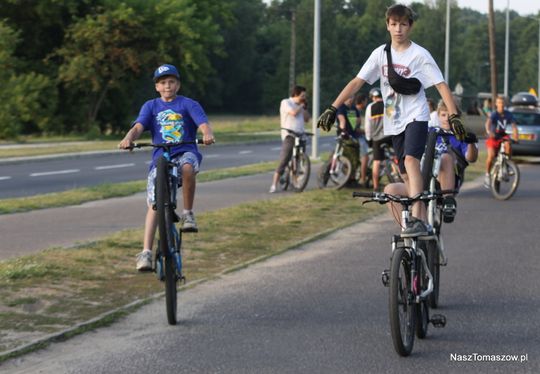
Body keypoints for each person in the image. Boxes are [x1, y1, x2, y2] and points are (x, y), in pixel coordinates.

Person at [317, 3, 465, 237]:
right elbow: (357, 82)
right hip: (393, 121)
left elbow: (440, 84)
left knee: (410, 161)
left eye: (403, 24)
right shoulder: (380, 54)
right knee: (404, 174)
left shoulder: (419, 55)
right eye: (394, 24)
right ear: (387, 25)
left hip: (416, 116)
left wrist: (454, 116)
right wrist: (333, 107)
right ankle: (425, 204)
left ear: (410, 26)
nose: (398, 29)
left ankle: (417, 218)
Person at [118, 64, 215, 271]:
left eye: (171, 82)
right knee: (154, 203)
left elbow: (203, 123)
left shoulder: (188, 104)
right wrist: (128, 138)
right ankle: (145, 252)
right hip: (160, 157)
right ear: (157, 87)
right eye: (163, 83)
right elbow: (138, 127)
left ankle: (188, 213)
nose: (167, 86)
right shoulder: (150, 106)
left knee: (188, 167)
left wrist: (207, 133)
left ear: (178, 85)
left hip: (185, 151)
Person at [432, 103, 478, 222]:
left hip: (452, 177)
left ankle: (448, 201)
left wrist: (471, 143)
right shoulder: (431, 132)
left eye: (450, 115)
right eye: (443, 115)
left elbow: (470, 157)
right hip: (429, 175)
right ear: (438, 116)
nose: (446, 118)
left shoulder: (460, 136)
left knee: (446, 158)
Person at [269, 85, 310, 193]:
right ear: (296, 94)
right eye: (302, 95)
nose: (304, 98)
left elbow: (306, 119)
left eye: (305, 96)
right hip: (289, 134)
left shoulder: (301, 105)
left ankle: (296, 182)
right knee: (284, 159)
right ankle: (274, 185)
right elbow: (293, 113)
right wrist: (301, 105)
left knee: (300, 159)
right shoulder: (286, 102)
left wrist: (304, 108)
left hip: (300, 134)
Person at [483, 96, 518, 188]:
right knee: (491, 156)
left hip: (503, 135)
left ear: (505, 104)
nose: (501, 105)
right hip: (493, 136)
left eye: (502, 103)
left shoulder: (509, 114)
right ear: (496, 104)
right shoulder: (494, 114)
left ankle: (506, 165)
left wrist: (515, 136)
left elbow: (514, 126)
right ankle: (487, 174)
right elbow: (488, 123)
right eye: (499, 103)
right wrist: (489, 131)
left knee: (508, 145)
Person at [365, 88, 394, 191]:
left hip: (377, 138)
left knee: (376, 161)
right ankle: (400, 177)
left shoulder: (370, 107)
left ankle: (376, 186)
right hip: (390, 135)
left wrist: (369, 138)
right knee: (395, 156)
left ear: (373, 97)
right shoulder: (389, 104)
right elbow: (393, 118)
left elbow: (368, 125)